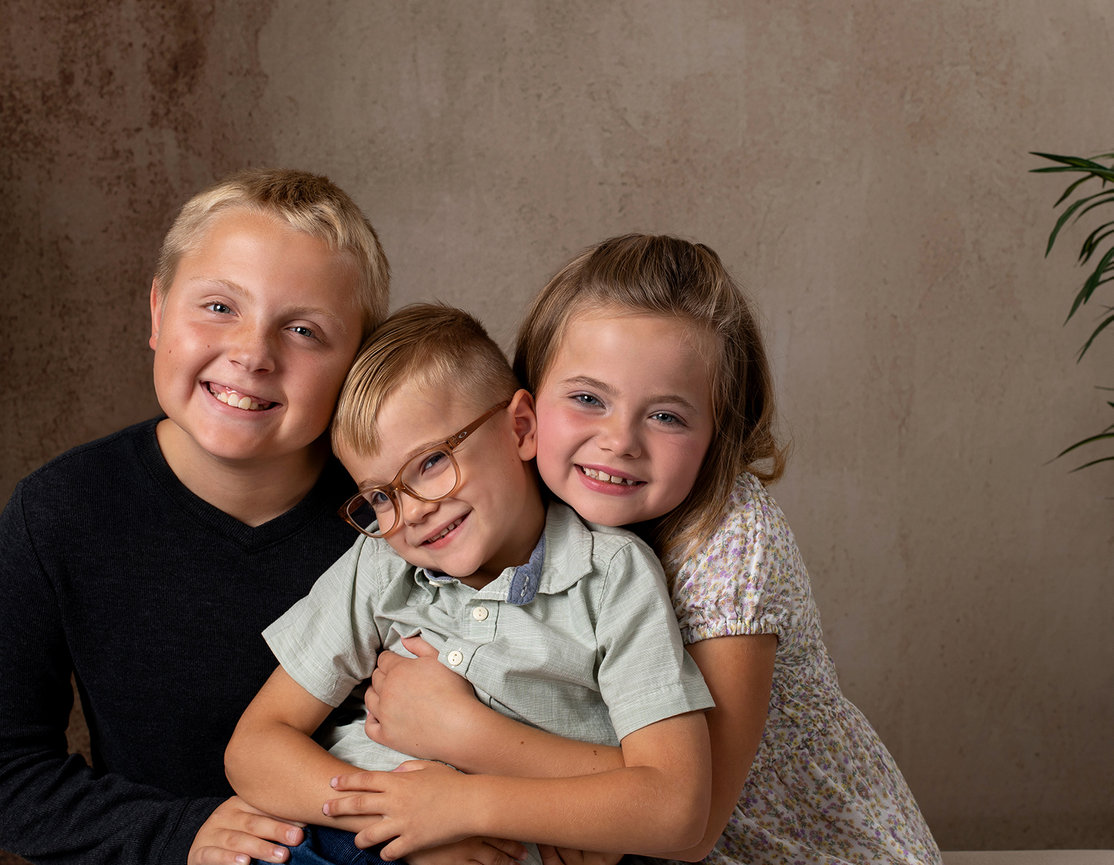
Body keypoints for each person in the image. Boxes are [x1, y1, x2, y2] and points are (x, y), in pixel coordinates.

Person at [347, 235, 942, 864]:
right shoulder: (512, 508)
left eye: (667, 417)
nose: (619, 441)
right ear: (526, 409)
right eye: (587, 399)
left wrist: (467, 740)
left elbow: (695, 819)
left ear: (720, 432)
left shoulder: (732, 540)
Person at [0, 168, 390, 865]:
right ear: (156, 313)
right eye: (218, 306)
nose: (252, 354)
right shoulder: (61, 512)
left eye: (303, 329)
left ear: (358, 364)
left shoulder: (404, 520)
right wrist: (180, 834)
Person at [224, 303, 716, 865]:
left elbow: (675, 809)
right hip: (342, 834)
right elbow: (255, 748)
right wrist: (401, 818)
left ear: (521, 428)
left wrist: (459, 808)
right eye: (380, 496)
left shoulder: (612, 578)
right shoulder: (380, 562)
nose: (410, 513)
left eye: (430, 462)